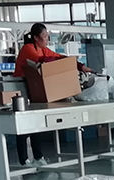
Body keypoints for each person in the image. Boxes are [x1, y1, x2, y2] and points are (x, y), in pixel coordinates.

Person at [13, 23, 93, 166]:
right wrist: (61, 61)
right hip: (22, 90)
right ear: (36, 38)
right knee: (24, 125)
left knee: (35, 125)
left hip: (35, 90)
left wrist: (80, 66)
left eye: (47, 35)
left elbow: (59, 57)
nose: (47, 38)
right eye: (44, 36)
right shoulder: (28, 49)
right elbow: (43, 61)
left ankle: (38, 157)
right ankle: (23, 160)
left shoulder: (43, 49)